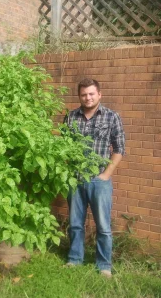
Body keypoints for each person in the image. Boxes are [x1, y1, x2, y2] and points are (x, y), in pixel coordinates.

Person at [63, 78, 125, 278]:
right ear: (79, 96)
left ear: (99, 94)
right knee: (75, 223)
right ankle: (74, 259)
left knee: (104, 227)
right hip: (75, 179)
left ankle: (104, 265)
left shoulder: (111, 117)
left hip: (100, 181)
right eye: (83, 94)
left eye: (91, 94)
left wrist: (106, 174)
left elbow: (119, 148)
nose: (87, 97)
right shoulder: (71, 117)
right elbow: (64, 147)